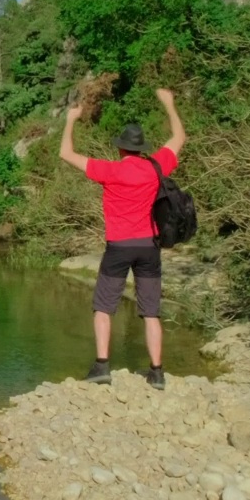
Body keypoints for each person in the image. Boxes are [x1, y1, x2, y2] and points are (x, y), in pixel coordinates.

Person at [57, 88, 185, 389]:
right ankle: (156, 373)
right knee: (150, 311)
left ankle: (102, 366)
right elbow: (179, 138)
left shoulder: (110, 170)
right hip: (149, 247)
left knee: (104, 306)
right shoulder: (157, 166)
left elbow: (65, 154)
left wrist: (71, 120)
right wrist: (169, 104)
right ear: (141, 149)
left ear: (120, 149)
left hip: (119, 246)